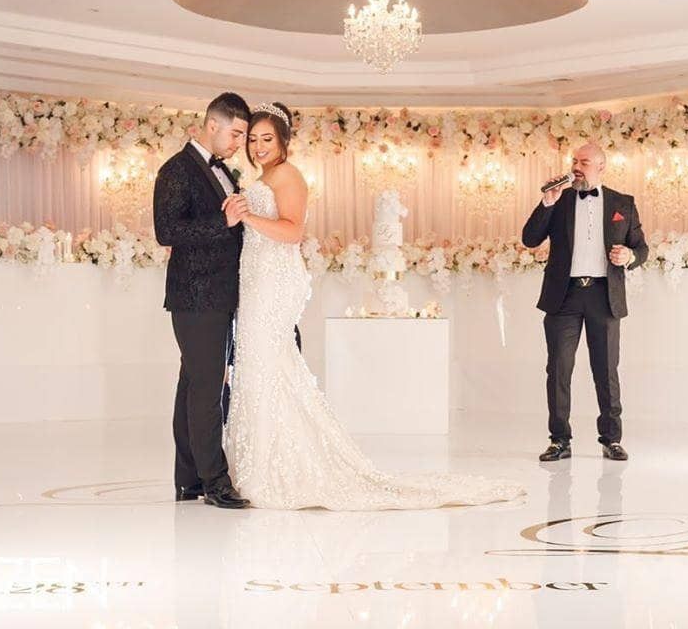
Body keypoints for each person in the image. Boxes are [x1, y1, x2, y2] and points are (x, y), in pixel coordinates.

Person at [220, 101, 524, 510]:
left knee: (267, 362)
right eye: (253, 140)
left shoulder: (288, 175)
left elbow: (292, 232)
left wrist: (247, 218)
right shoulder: (264, 176)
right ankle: (259, 462)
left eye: (266, 139)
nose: (257, 147)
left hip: (274, 281)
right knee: (259, 364)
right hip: (256, 277)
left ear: (284, 141)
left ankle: (280, 468)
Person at [153, 92, 251, 509]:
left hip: (215, 295)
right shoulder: (176, 170)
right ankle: (216, 481)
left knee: (192, 385)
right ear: (213, 125)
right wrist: (222, 221)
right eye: (237, 132)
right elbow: (167, 231)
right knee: (208, 390)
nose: (240, 143)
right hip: (196, 297)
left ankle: (189, 478)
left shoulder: (222, 171)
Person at [521, 142, 648, 463]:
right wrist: (545, 204)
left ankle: (611, 439)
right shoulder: (558, 200)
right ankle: (559, 439)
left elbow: (642, 248)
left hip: (604, 296)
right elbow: (530, 238)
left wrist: (629, 256)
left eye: (585, 162)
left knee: (606, 371)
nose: (577, 166)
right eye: (574, 161)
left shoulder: (623, 203)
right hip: (564, 296)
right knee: (559, 369)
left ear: (601, 166)